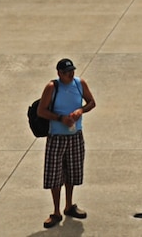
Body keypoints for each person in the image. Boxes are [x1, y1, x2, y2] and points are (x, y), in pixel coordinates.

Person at [38, 57, 95, 228]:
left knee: (72, 172)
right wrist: (60, 118)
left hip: (75, 135)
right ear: (59, 73)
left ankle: (69, 205)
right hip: (56, 137)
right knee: (54, 174)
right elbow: (41, 110)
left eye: (72, 71)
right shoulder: (51, 88)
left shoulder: (79, 83)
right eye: (66, 73)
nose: (70, 75)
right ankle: (56, 211)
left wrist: (80, 111)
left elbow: (91, 103)